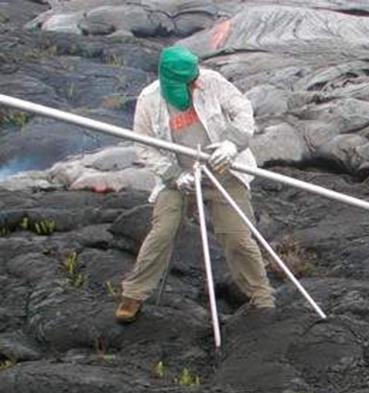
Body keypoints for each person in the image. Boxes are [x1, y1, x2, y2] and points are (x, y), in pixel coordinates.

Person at [115, 46, 275, 323]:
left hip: (223, 169)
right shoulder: (150, 99)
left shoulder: (211, 82)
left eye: (194, 77)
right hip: (178, 178)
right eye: (188, 81)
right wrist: (173, 173)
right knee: (164, 229)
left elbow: (243, 110)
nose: (194, 84)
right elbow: (144, 146)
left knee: (237, 236)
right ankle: (134, 294)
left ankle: (262, 297)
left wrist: (232, 143)